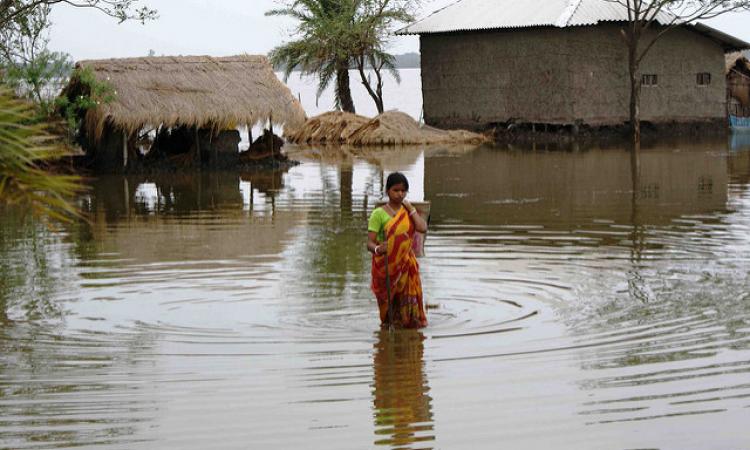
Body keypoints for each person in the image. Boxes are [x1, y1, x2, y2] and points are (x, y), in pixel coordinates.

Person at [367, 172, 428, 328]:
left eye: (403, 190)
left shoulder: (408, 212)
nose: (400, 194)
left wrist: (411, 209)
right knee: (390, 311)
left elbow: (422, 228)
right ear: (388, 191)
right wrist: (379, 249)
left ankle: (408, 339)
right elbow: (369, 243)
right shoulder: (378, 214)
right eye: (396, 190)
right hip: (386, 266)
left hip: (407, 266)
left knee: (407, 306)